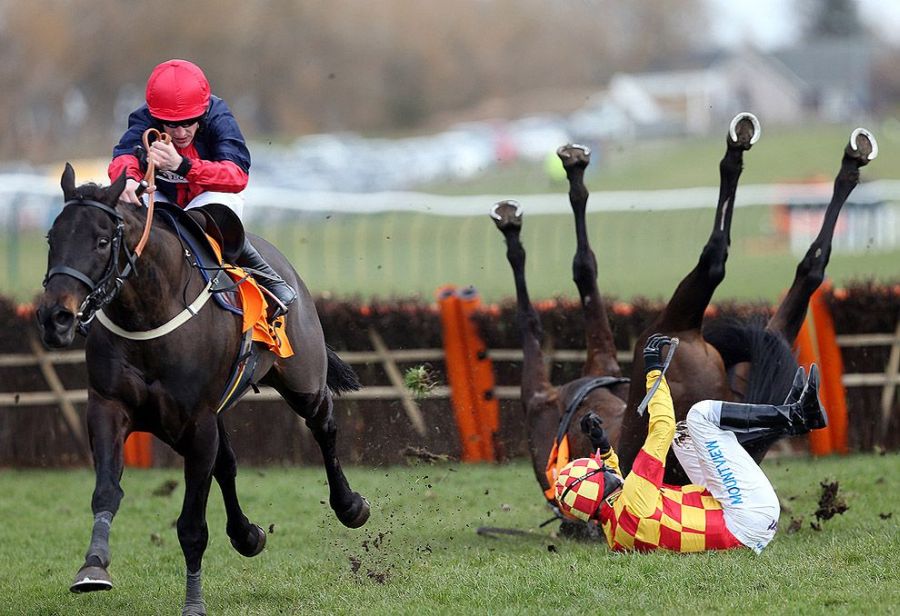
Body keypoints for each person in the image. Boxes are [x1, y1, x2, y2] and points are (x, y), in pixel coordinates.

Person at [554, 334, 829, 554]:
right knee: (700, 416)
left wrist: (602, 443)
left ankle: (793, 419)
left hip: (745, 529)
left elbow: (612, 482)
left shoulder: (615, 532)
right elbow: (661, 426)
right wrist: (653, 371)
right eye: (600, 469)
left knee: (683, 437)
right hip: (749, 517)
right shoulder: (635, 497)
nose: (604, 467)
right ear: (600, 485)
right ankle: (795, 414)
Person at [108, 58, 297, 316]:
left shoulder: (219, 116)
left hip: (211, 194)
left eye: (189, 122)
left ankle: (265, 276)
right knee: (127, 219)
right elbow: (123, 156)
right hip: (164, 194)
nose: (181, 132)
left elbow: (237, 175)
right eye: (172, 124)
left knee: (200, 219)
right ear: (156, 116)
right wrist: (127, 178)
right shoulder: (144, 118)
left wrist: (183, 166)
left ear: (202, 113)